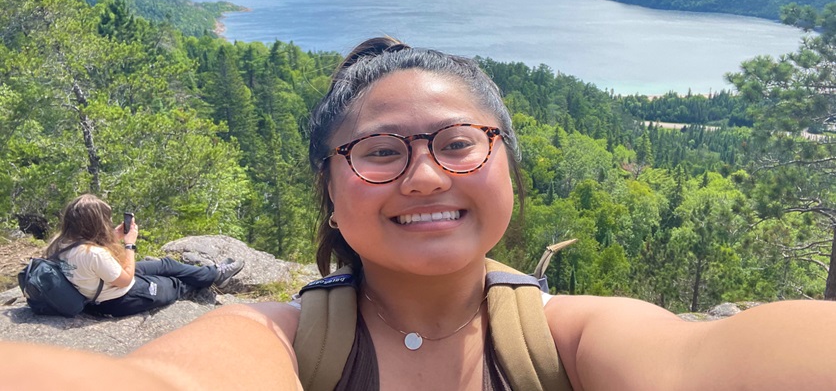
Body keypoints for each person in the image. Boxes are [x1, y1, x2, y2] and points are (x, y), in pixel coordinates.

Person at [3, 36, 836, 391]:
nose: (425, 174)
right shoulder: (277, 341)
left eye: (458, 141)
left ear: (505, 161)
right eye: (379, 150)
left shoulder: (574, 339)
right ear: (330, 188)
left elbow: (704, 361)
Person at [42, 193, 245, 317]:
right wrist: (130, 245)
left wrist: (114, 237)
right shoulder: (93, 254)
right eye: (105, 220)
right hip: (118, 298)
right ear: (94, 224)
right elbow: (125, 280)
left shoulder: (60, 243)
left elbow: (86, 256)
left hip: (101, 281)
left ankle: (214, 273)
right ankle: (213, 277)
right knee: (174, 283)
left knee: (165, 264)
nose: (108, 222)